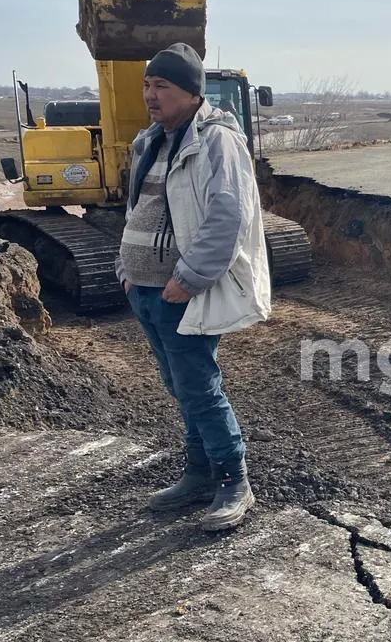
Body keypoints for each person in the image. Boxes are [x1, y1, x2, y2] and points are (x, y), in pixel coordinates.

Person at [114, 42, 272, 532]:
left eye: (162, 85)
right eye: (147, 85)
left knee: (199, 387)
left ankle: (232, 480)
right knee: (178, 385)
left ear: (191, 93)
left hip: (179, 291)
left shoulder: (217, 141)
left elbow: (228, 215)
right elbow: (137, 210)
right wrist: (125, 268)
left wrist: (188, 278)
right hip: (144, 289)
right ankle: (199, 473)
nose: (150, 94)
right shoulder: (151, 141)